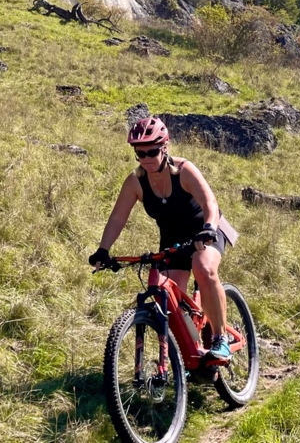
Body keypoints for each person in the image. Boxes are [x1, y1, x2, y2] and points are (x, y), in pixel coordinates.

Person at [89, 116, 238, 360]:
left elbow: (209, 202)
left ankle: (221, 338)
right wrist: (103, 250)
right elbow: (117, 218)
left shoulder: (184, 171)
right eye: (140, 153)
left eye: (152, 151)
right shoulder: (135, 182)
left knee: (203, 268)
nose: (146, 158)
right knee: (168, 297)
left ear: (165, 147)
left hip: (205, 228)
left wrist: (209, 228)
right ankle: (189, 357)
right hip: (173, 238)